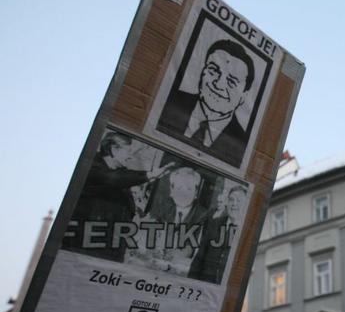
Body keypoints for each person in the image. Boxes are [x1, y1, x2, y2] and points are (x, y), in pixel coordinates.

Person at [65, 132, 172, 261]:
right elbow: (111, 179)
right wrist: (150, 175)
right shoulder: (93, 165)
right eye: (128, 151)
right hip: (84, 247)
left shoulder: (121, 173)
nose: (130, 156)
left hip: (110, 248)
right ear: (113, 149)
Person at [157, 39, 255, 167]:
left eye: (231, 81)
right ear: (202, 72)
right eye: (213, 70)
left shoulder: (244, 145)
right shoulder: (166, 102)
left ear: (243, 97)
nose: (219, 84)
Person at [189, 185, 247, 284]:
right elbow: (199, 258)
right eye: (231, 200)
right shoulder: (214, 224)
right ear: (227, 203)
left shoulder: (247, 232)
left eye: (239, 201)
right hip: (203, 284)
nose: (234, 204)